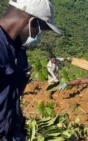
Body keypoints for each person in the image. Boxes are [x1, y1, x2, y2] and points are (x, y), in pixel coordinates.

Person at [0, 0, 61, 139]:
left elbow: (10, 96)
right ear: (32, 22)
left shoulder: (16, 50)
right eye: (41, 30)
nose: (39, 36)